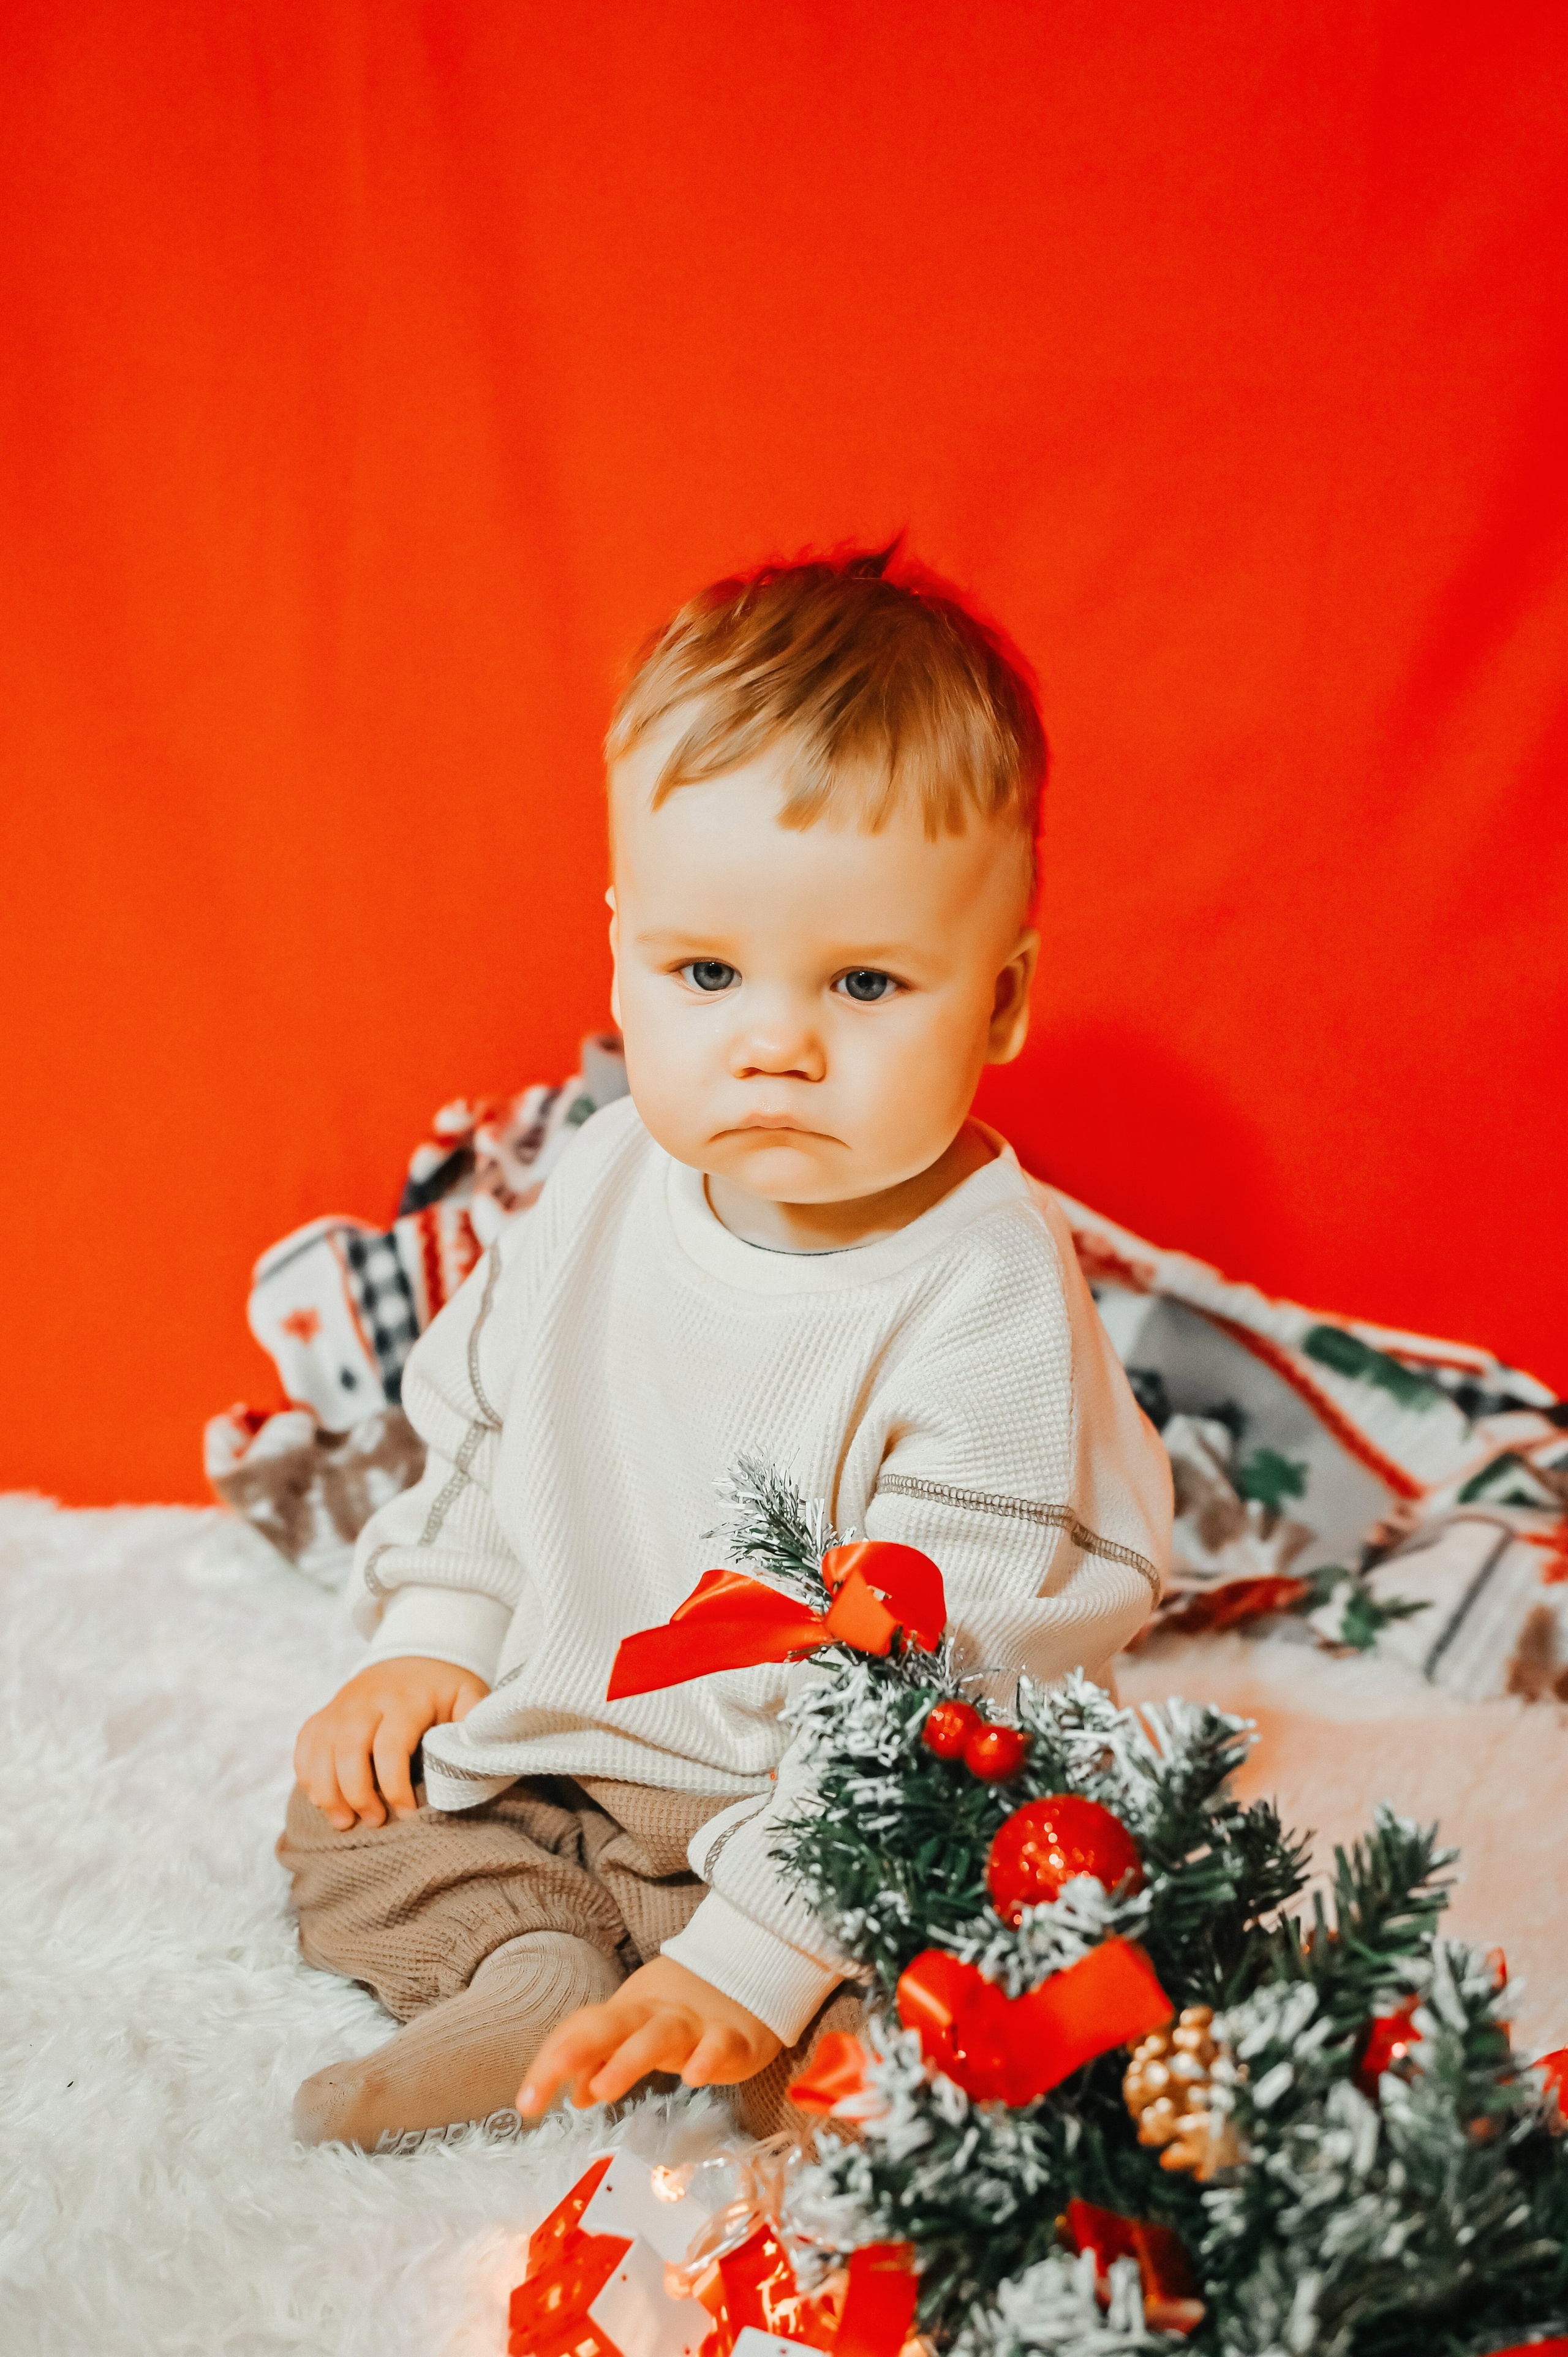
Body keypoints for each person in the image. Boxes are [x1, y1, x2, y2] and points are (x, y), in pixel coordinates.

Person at [279, 546, 1173, 2151]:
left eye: (867, 983)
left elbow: (938, 1683)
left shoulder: (982, 1298)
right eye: (704, 973)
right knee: (352, 1800)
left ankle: (765, 2034)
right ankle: (525, 1969)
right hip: (566, 1750)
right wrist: (429, 1635)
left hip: (815, 1791)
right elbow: (491, 1441)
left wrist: (757, 1954)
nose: (775, 1042)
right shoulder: (604, 1179)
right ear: (619, 949)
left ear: (1005, 1000)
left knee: (997, 1903)